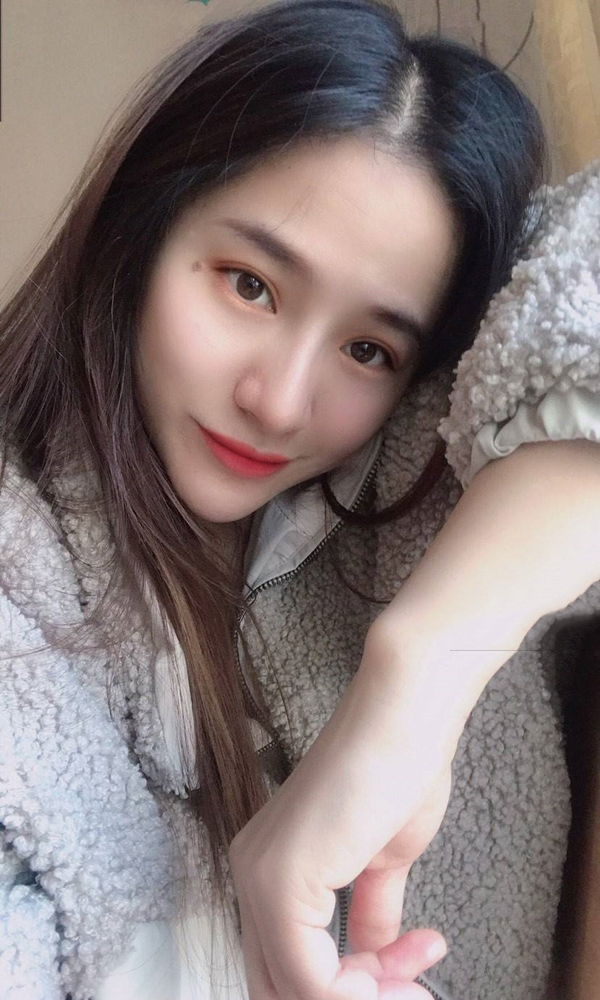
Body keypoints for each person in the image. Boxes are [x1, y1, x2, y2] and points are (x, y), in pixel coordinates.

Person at [2, 0, 600, 997]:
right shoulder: (22, 590)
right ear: (138, 233)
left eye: (368, 348)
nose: (278, 402)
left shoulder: (433, 474)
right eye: (249, 285)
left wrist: (419, 671)